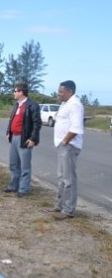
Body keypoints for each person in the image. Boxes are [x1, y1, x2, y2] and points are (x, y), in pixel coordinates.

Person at [45, 80, 84, 220]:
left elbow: (76, 128)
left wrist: (65, 141)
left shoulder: (75, 105)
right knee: (61, 177)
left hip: (69, 146)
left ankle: (69, 210)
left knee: (68, 179)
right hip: (63, 145)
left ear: (69, 92)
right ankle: (60, 205)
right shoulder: (65, 104)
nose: (58, 94)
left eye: (61, 91)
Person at [5, 83, 42, 197]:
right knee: (14, 164)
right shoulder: (17, 104)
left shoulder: (32, 105)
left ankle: (23, 189)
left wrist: (33, 138)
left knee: (25, 166)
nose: (14, 93)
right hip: (14, 138)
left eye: (15, 91)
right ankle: (13, 186)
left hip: (24, 139)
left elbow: (37, 123)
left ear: (21, 92)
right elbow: (12, 119)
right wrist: (8, 132)